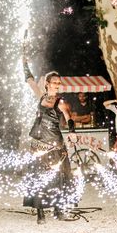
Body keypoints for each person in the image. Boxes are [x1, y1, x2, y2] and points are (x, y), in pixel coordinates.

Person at [23, 58, 77, 224]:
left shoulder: (61, 102)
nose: (57, 85)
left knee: (59, 178)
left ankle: (58, 210)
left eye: (58, 83)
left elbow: (69, 118)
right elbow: (30, 80)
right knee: (40, 178)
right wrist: (24, 63)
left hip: (56, 145)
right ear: (47, 83)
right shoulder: (41, 96)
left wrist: (72, 132)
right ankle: (40, 214)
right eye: (54, 82)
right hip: (39, 144)